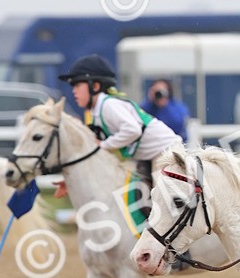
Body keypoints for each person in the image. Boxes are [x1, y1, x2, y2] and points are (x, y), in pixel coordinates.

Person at [57, 54, 182, 218]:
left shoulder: (108, 105)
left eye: (77, 85)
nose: (74, 91)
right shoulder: (97, 110)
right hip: (147, 157)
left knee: (163, 201)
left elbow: (133, 130)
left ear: (94, 85)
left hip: (164, 153)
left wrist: (105, 145)